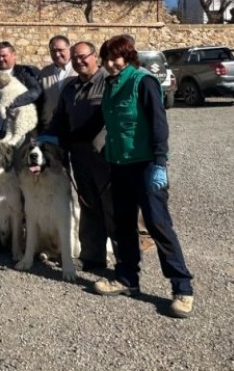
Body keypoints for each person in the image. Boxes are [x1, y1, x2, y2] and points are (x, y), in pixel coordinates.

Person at [93, 34, 195, 318]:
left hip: (146, 166)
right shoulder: (111, 86)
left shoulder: (143, 82)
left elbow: (159, 125)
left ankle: (182, 288)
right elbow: (102, 122)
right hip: (119, 165)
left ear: (128, 57)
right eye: (107, 59)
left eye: (116, 58)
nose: (111, 64)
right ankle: (127, 279)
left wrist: (161, 162)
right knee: (123, 225)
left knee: (158, 225)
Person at [40, 41, 114, 271]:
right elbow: (58, 121)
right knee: (88, 207)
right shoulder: (70, 88)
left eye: (83, 56)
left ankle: (125, 266)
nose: (79, 61)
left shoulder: (109, 83)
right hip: (79, 157)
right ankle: (92, 258)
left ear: (95, 57)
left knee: (112, 209)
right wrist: (44, 140)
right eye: (75, 58)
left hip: (106, 158)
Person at [0, 41, 42, 140]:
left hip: (19, 128)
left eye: (4, 56)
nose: (1, 59)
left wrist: (12, 102)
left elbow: (36, 92)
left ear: (14, 55)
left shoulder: (24, 73)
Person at [37, 35, 76, 130]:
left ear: (69, 49)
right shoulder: (44, 73)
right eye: (53, 51)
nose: (57, 54)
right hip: (50, 129)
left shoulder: (78, 71)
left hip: (74, 128)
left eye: (60, 50)